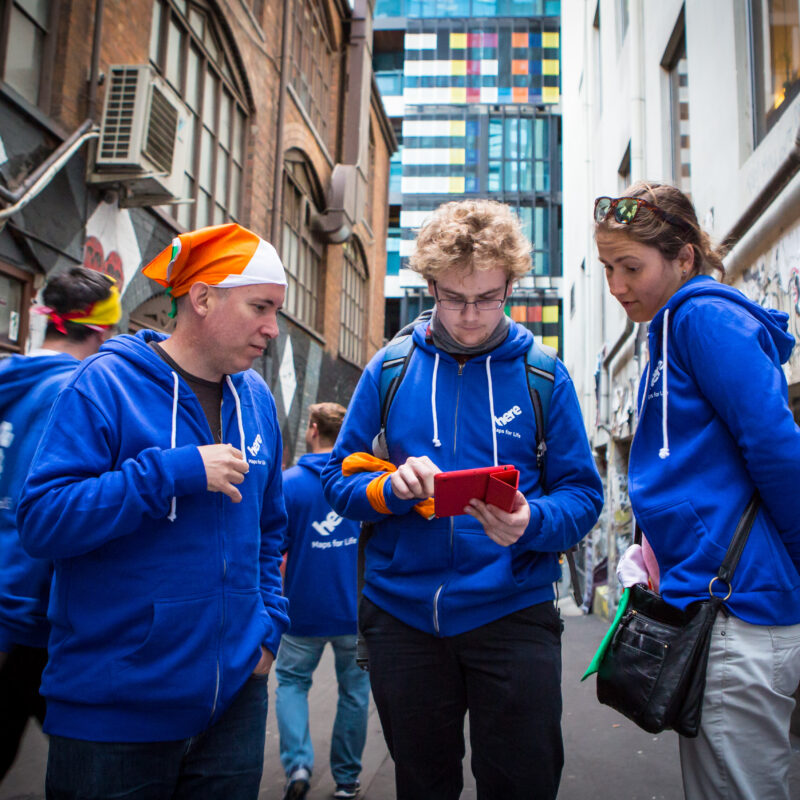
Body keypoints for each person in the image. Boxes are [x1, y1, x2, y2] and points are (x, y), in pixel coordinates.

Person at [322, 199, 603, 800]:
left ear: (510, 287)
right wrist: (389, 490)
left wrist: (532, 520)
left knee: (522, 786)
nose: (471, 315)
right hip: (402, 617)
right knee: (423, 786)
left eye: (488, 298)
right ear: (430, 287)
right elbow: (337, 480)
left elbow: (583, 495)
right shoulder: (389, 369)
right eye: (453, 298)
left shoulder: (544, 375)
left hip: (514, 612)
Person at [17, 223, 291, 799]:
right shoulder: (103, 384)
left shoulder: (258, 399)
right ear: (203, 298)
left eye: (276, 310)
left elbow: (270, 529)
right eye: (260, 307)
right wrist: (172, 472)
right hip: (114, 710)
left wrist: (267, 631)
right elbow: (43, 520)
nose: (272, 327)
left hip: (235, 701)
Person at [595, 182, 800, 799]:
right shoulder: (672, 325)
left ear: (684, 257)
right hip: (725, 610)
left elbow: (776, 447)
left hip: (739, 612)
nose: (616, 286)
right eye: (607, 268)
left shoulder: (702, 317)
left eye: (631, 267)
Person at [0, 267, 121, 782]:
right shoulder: (71, 392)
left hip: (18, 611)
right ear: (103, 331)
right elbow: (40, 510)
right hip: (27, 616)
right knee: (101, 766)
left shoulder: (11, 376)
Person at [276, 402, 370, 800]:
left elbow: (272, 547)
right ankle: (346, 780)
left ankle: (298, 764)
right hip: (354, 611)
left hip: (302, 610)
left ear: (313, 429)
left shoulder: (288, 484)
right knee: (355, 694)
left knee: (291, 683)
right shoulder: (361, 482)